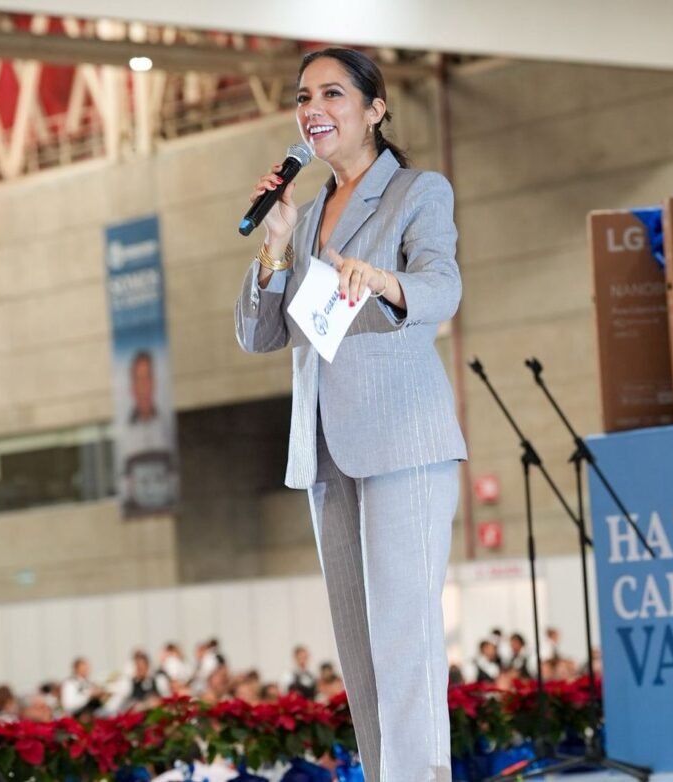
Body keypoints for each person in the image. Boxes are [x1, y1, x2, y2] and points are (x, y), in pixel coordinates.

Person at [234, 47, 466, 782]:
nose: (314, 108)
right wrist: (273, 248)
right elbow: (260, 335)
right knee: (361, 648)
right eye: (305, 95)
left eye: (334, 93)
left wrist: (388, 282)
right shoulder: (301, 222)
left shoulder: (417, 192)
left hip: (403, 438)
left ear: (375, 108)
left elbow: (443, 284)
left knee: (404, 636)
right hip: (326, 450)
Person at [119, 349, 177, 513]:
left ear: (154, 382)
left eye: (147, 378)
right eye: (139, 379)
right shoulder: (124, 434)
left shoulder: (166, 427)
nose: (144, 386)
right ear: (133, 386)